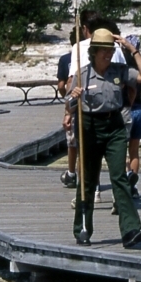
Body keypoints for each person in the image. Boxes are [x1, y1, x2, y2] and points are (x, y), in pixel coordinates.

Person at [64, 29, 141, 248]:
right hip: (89, 125)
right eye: (104, 51)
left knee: (119, 177)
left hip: (114, 126)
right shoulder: (82, 74)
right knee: (88, 179)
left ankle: (131, 229)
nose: (108, 55)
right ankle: (82, 229)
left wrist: (133, 50)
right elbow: (70, 106)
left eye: (110, 51)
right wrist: (74, 97)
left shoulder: (119, 70)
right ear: (94, 52)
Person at [61, 13, 126, 203]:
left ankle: (91, 192)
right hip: (114, 109)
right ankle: (114, 195)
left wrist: (68, 112)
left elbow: (72, 80)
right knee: (116, 158)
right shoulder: (116, 47)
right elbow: (125, 82)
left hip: (90, 109)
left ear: (85, 30)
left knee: (86, 155)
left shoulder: (79, 47)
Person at [123, 35, 141, 200]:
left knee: (121, 152)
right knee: (134, 151)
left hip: (125, 111)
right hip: (139, 111)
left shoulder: (122, 68)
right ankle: (132, 185)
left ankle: (125, 178)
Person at [58, 28, 78, 190]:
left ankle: (71, 172)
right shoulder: (90, 56)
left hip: (72, 104)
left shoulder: (65, 59)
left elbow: (61, 84)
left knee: (72, 142)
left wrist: (67, 97)